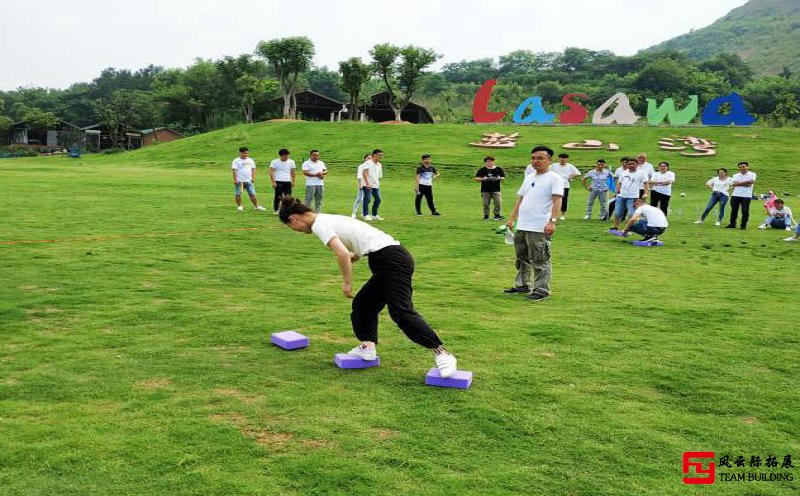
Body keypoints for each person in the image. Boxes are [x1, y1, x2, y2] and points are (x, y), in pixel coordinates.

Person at [278, 196, 459, 377]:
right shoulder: (327, 218)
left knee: (400, 311)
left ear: (293, 219)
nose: (297, 231)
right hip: (385, 258)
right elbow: (363, 239)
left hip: (392, 260)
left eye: (291, 227)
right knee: (363, 305)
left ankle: (442, 353)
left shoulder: (319, 224)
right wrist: (355, 256)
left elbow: (341, 254)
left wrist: (347, 283)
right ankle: (367, 348)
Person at [505, 146, 564, 302]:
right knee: (522, 257)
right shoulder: (529, 177)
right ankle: (523, 284)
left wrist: (552, 221)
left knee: (540, 258)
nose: (536, 161)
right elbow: (520, 199)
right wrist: (512, 219)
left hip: (539, 226)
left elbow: (557, 200)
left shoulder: (555, 178)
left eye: (540, 158)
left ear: (549, 160)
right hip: (523, 225)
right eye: (533, 158)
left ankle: (542, 289)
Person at [612, 158, 649, 230]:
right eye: (629, 164)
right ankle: (615, 227)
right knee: (617, 213)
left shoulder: (641, 173)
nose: (631, 165)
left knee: (631, 214)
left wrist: (645, 193)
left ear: (637, 164)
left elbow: (646, 183)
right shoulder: (624, 173)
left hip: (633, 197)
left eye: (633, 164)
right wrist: (617, 192)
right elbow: (620, 183)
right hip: (621, 196)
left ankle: (629, 228)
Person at [231, 146, 266, 211]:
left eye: (246, 153)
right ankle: (240, 206)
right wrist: (235, 180)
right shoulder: (236, 161)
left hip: (249, 181)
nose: (245, 154)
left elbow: (253, 169)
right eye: (244, 153)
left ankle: (256, 206)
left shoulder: (250, 160)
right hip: (240, 181)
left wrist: (253, 178)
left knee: (252, 194)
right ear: (240, 153)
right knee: (238, 193)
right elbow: (234, 170)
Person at [726, 161, 757, 229]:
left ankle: (743, 225)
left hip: (746, 196)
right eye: (740, 167)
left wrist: (739, 183)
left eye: (743, 166)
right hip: (735, 195)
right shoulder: (735, 175)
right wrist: (746, 182)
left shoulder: (752, 174)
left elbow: (750, 184)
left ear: (747, 167)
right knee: (734, 211)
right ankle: (732, 224)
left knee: (745, 211)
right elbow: (734, 184)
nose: (742, 168)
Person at [550, 153, 581, 220]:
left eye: (564, 158)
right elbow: (547, 171)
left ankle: (563, 215)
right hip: (554, 185)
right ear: (559, 158)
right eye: (561, 158)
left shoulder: (570, 166)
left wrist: (571, 177)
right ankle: (553, 215)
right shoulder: (554, 165)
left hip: (565, 185)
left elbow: (578, 173)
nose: (562, 159)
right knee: (553, 200)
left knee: (564, 200)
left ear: (567, 159)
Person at [269, 148, 296, 214]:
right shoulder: (274, 161)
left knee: (288, 197)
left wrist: (293, 181)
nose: (287, 157)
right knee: (278, 196)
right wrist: (273, 182)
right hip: (278, 180)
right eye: (285, 155)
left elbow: (293, 172)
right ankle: (276, 210)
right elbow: (271, 172)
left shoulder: (291, 162)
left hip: (287, 181)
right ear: (281, 155)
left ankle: (287, 210)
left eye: (287, 155)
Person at [362, 149, 384, 221]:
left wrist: (377, 183)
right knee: (367, 199)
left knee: (378, 199)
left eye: (382, 155)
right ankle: (366, 215)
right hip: (367, 184)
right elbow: (364, 173)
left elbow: (379, 176)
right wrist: (367, 183)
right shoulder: (368, 163)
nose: (381, 157)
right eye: (380, 155)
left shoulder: (379, 164)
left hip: (375, 184)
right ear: (374, 155)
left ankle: (374, 215)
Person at [351, 154, 372, 218]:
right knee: (359, 199)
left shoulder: (371, 166)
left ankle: (363, 213)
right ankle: (354, 213)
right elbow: (359, 176)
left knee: (366, 200)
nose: (369, 159)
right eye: (368, 158)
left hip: (368, 185)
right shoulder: (361, 166)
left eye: (370, 158)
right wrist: (359, 185)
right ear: (365, 159)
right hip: (362, 184)